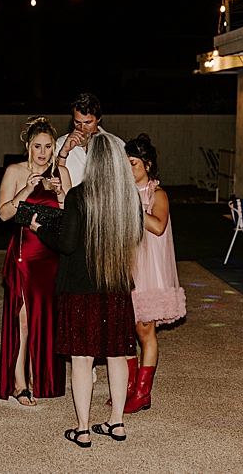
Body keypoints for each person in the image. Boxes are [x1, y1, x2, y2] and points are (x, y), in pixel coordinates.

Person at [47, 131, 144, 447]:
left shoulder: (79, 196)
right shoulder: (127, 198)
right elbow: (136, 237)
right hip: (115, 288)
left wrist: (40, 228)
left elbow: (67, 244)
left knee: (82, 359)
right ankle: (117, 423)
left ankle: (83, 428)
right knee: (116, 356)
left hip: (81, 290)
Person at [0, 117, 71, 405]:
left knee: (49, 317)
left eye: (48, 146)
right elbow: (3, 214)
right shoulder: (15, 171)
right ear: (28, 146)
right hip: (25, 253)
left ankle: (45, 379)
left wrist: (61, 194)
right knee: (24, 319)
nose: (43, 152)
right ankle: (19, 383)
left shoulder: (61, 172)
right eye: (37, 146)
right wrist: (26, 190)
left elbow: (70, 219)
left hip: (52, 253)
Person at [123, 132, 184, 414]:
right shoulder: (120, 192)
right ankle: (127, 385)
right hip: (123, 265)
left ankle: (143, 392)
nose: (128, 168)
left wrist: (130, 205)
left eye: (133, 163)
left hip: (148, 268)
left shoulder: (158, 194)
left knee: (144, 331)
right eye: (125, 163)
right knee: (123, 330)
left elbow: (158, 226)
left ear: (147, 165)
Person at [53, 93, 106, 186]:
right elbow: (53, 178)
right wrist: (64, 151)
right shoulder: (61, 143)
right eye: (77, 122)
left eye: (88, 122)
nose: (82, 128)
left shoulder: (115, 143)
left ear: (99, 118)